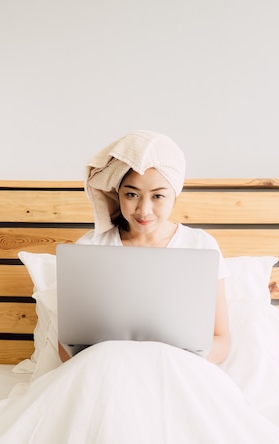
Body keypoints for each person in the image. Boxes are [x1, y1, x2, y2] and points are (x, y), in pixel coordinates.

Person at [58, 130, 230, 364]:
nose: (144, 210)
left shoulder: (200, 246)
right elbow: (66, 348)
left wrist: (166, 364)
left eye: (158, 196)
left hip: (176, 370)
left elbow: (221, 340)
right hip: (106, 370)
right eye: (131, 194)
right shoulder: (90, 247)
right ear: (118, 194)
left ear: (175, 195)